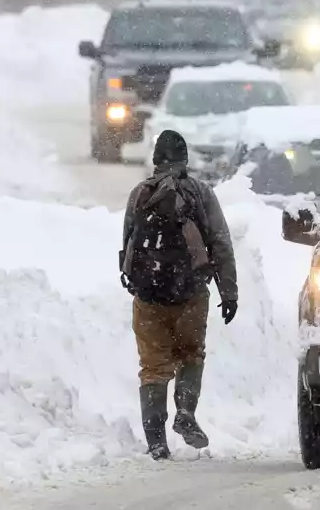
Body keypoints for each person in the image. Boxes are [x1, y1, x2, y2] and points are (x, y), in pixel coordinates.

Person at [121, 129, 238, 460]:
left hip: (148, 297)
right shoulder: (199, 192)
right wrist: (228, 292)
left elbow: (128, 239)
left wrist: (133, 280)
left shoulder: (140, 194)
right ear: (185, 160)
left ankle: (156, 441)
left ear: (156, 160)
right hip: (190, 294)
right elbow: (220, 243)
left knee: (153, 366)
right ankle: (185, 411)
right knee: (190, 354)